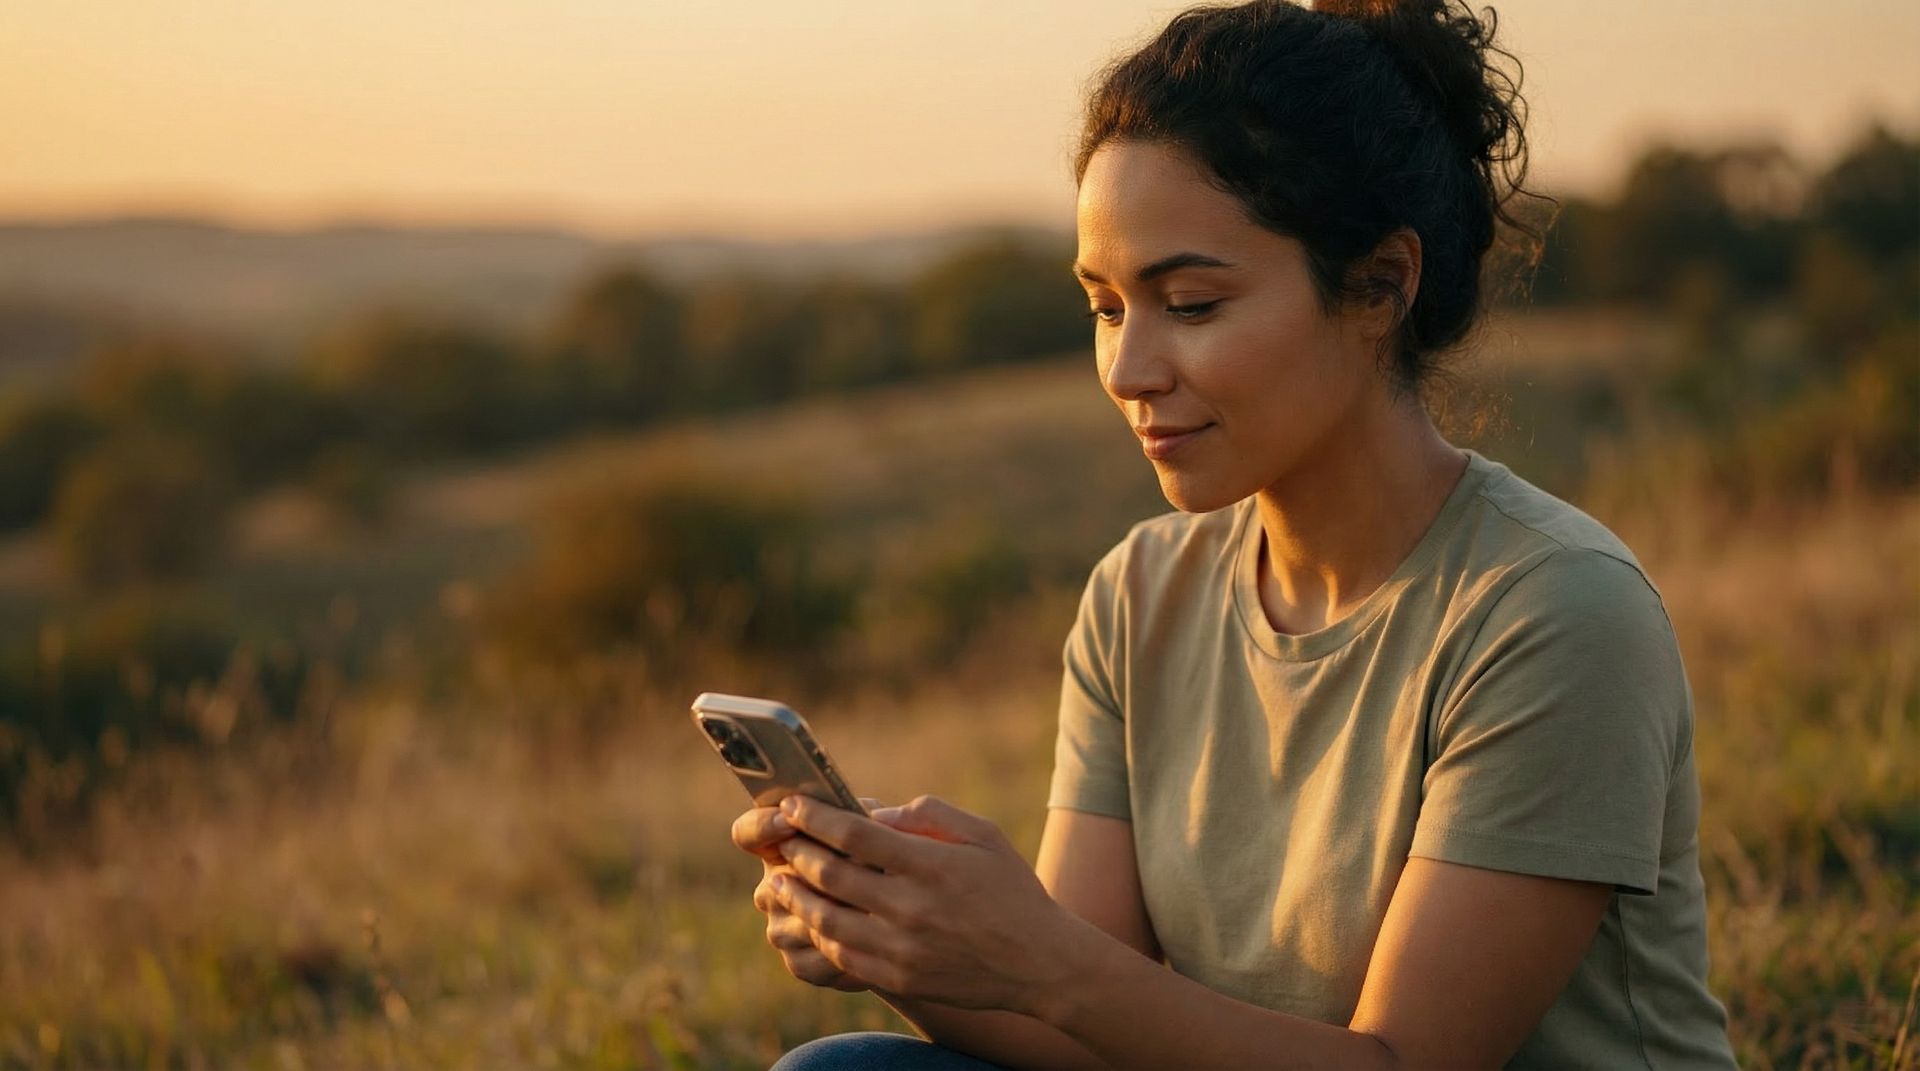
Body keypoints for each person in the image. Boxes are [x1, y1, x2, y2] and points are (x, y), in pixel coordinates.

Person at [733, 0, 1739, 1067]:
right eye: (1107, 308)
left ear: (1380, 287)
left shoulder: (1554, 613)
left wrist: (1036, 955)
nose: (1129, 373)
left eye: (1193, 305)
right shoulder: (1140, 595)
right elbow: (1078, 1037)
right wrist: (911, 946)